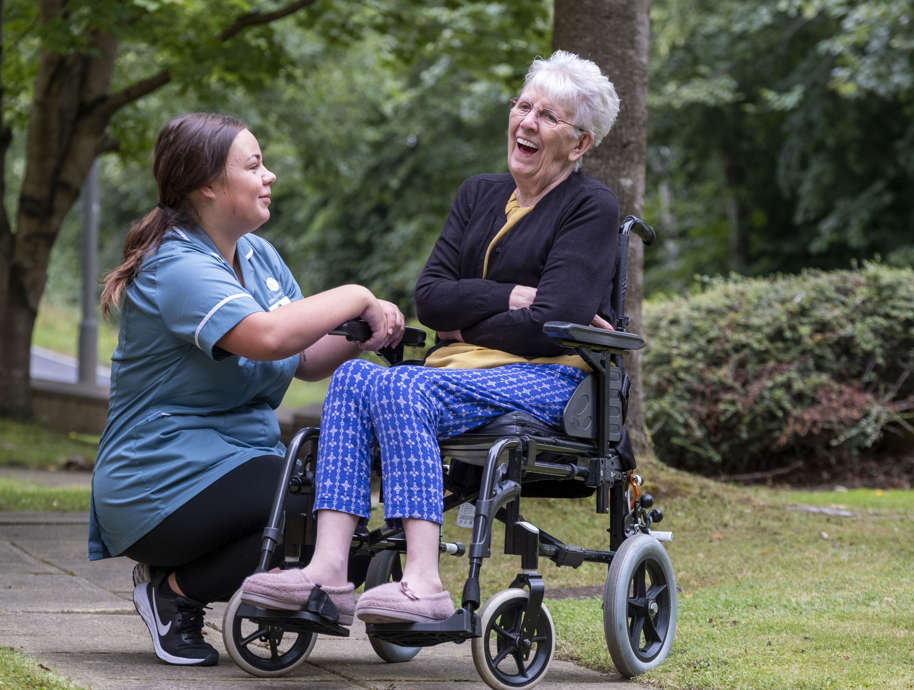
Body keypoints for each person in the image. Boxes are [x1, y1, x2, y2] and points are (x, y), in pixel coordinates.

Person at [240, 50, 622, 626]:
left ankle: (423, 584)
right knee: (352, 376)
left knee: (400, 388)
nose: (526, 122)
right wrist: (507, 297)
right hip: (455, 371)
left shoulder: (590, 206)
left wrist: (467, 317)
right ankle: (327, 573)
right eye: (523, 106)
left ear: (581, 143)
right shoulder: (477, 195)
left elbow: (551, 323)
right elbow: (430, 297)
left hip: (554, 380)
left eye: (548, 116)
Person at [88, 112, 405, 666]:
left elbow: (302, 358)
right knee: (314, 502)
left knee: (346, 549)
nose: (270, 176)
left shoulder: (259, 256)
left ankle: (194, 583)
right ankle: (174, 595)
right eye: (254, 165)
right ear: (208, 185)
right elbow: (268, 336)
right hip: (159, 478)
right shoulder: (177, 264)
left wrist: (365, 334)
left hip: (241, 463)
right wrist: (357, 294)